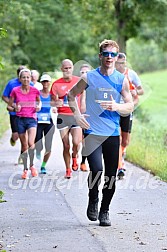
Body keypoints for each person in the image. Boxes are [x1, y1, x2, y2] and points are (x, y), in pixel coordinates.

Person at [68, 39, 134, 226]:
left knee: (111, 176)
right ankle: (93, 197)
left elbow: (129, 105)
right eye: (106, 54)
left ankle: (105, 210)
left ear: (116, 57)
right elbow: (71, 95)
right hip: (92, 131)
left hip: (112, 133)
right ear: (100, 56)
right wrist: (77, 115)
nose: (110, 58)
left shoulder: (121, 79)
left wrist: (116, 106)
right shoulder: (89, 77)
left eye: (113, 54)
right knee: (96, 169)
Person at [50, 59, 82, 179]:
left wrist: (83, 110)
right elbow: (52, 102)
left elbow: (83, 96)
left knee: (76, 142)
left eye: (69, 68)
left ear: (72, 68)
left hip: (75, 116)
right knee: (66, 145)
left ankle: (75, 156)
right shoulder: (56, 84)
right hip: (62, 117)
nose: (67, 70)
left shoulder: (78, 81)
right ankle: (68, 169)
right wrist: (55, 103)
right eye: (65, 68)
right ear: (61, 69)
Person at [7, 68, 41, 179]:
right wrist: (15, 108)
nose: (26, 79)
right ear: (20, 79)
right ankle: (25, 169)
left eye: (28, 77)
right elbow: (9, 106)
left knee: (31, 142)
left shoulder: (35, 90)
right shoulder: (15, 90)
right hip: (20, 120)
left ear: (30, 78)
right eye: (24, 77)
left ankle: (32, 166)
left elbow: (39, 102)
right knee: (24, 145)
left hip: (31, 119)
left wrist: (38, 107)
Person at [115, 52, 144, 178]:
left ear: (125, 62)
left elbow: (141, 91)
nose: (120, 65)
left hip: (127, 110)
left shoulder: (131, 74)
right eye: (118, 63)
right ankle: (120, 165)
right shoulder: (112, 75)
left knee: (125, 141)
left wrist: (134, 91)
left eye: (123, 63)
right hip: (115, 110)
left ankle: (123, 152)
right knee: (118, 139)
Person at [35, 74, 55, 174]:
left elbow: (58, 105)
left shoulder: (52, 95)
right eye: (44, 81)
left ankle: (43, 166)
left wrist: (55, 108)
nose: (46, 83)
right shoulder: (37, 94)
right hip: (38, 121)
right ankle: (38, 150)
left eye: (47, 81)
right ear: (41, 82)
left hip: (49, 121)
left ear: (49, 82)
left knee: (49, 146)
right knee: (38, 143)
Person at [2, 65, 27, 147]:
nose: (25, 78)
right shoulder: (11, 83)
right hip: (14, 113)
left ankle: (24, 150)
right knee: (16, 135)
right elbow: (4, 96)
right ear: (18, 75)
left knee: (24, 135)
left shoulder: (30, 83)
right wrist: (13, 104)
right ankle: (13, 139)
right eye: (22, 75)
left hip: (26, 113)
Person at [79, 64, 92, 172]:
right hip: (73, 116)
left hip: (87, 117)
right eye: (82, 72)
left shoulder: (92, 86)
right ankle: (73, 157)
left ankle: (83, 162)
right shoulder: (76, 86)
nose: (84, 74)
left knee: (85, 142)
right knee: (75, 143)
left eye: (86, 72)